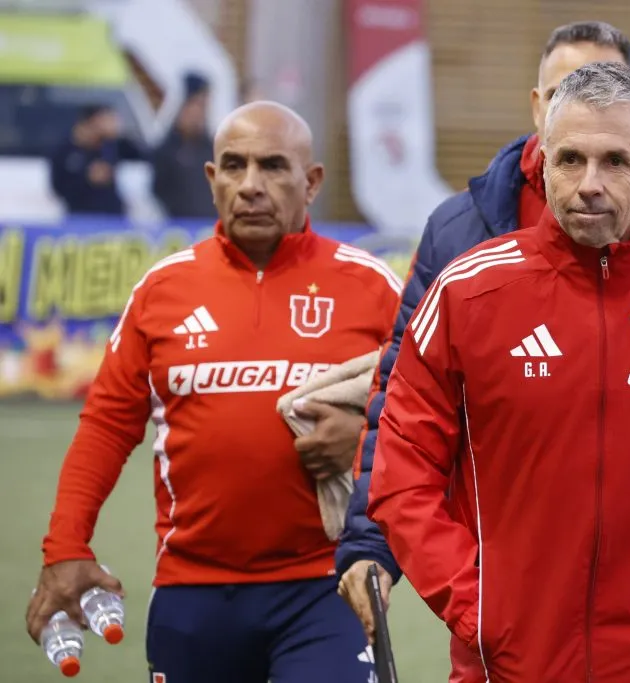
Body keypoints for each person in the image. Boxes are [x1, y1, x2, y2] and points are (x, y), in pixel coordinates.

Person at [336, 18, 630, 640]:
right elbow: (403, 413)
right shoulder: (462, 235)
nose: (592, 176)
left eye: (616, 154)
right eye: (567, 92)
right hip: (505, 607)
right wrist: (377, 542)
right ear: (540, 106)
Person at [25, 101, 402, 683]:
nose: (251, 185)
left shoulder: (371, 286)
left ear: (312, 182)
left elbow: (429, 421)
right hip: (191, 591)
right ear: (212, 178)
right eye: (234, 166)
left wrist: (364, 441)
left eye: (274, 166)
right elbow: (105, 426)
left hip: (325, 585)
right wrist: (65, 547)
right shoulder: (162, 290)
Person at [48, 104, 145, 216]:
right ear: (92, 121)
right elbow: (58, 188)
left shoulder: (111, 145)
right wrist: (87, 179)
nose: (111, 124)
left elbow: (144, 155)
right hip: (80, 216)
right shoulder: (64, 150)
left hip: (112, 215)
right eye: (105, 120)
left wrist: (119, 134)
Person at [151, 72, 218, 218]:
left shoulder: (213, 150)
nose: (198, 113)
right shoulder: (165, 151)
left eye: (203, 106)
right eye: (195, 105)